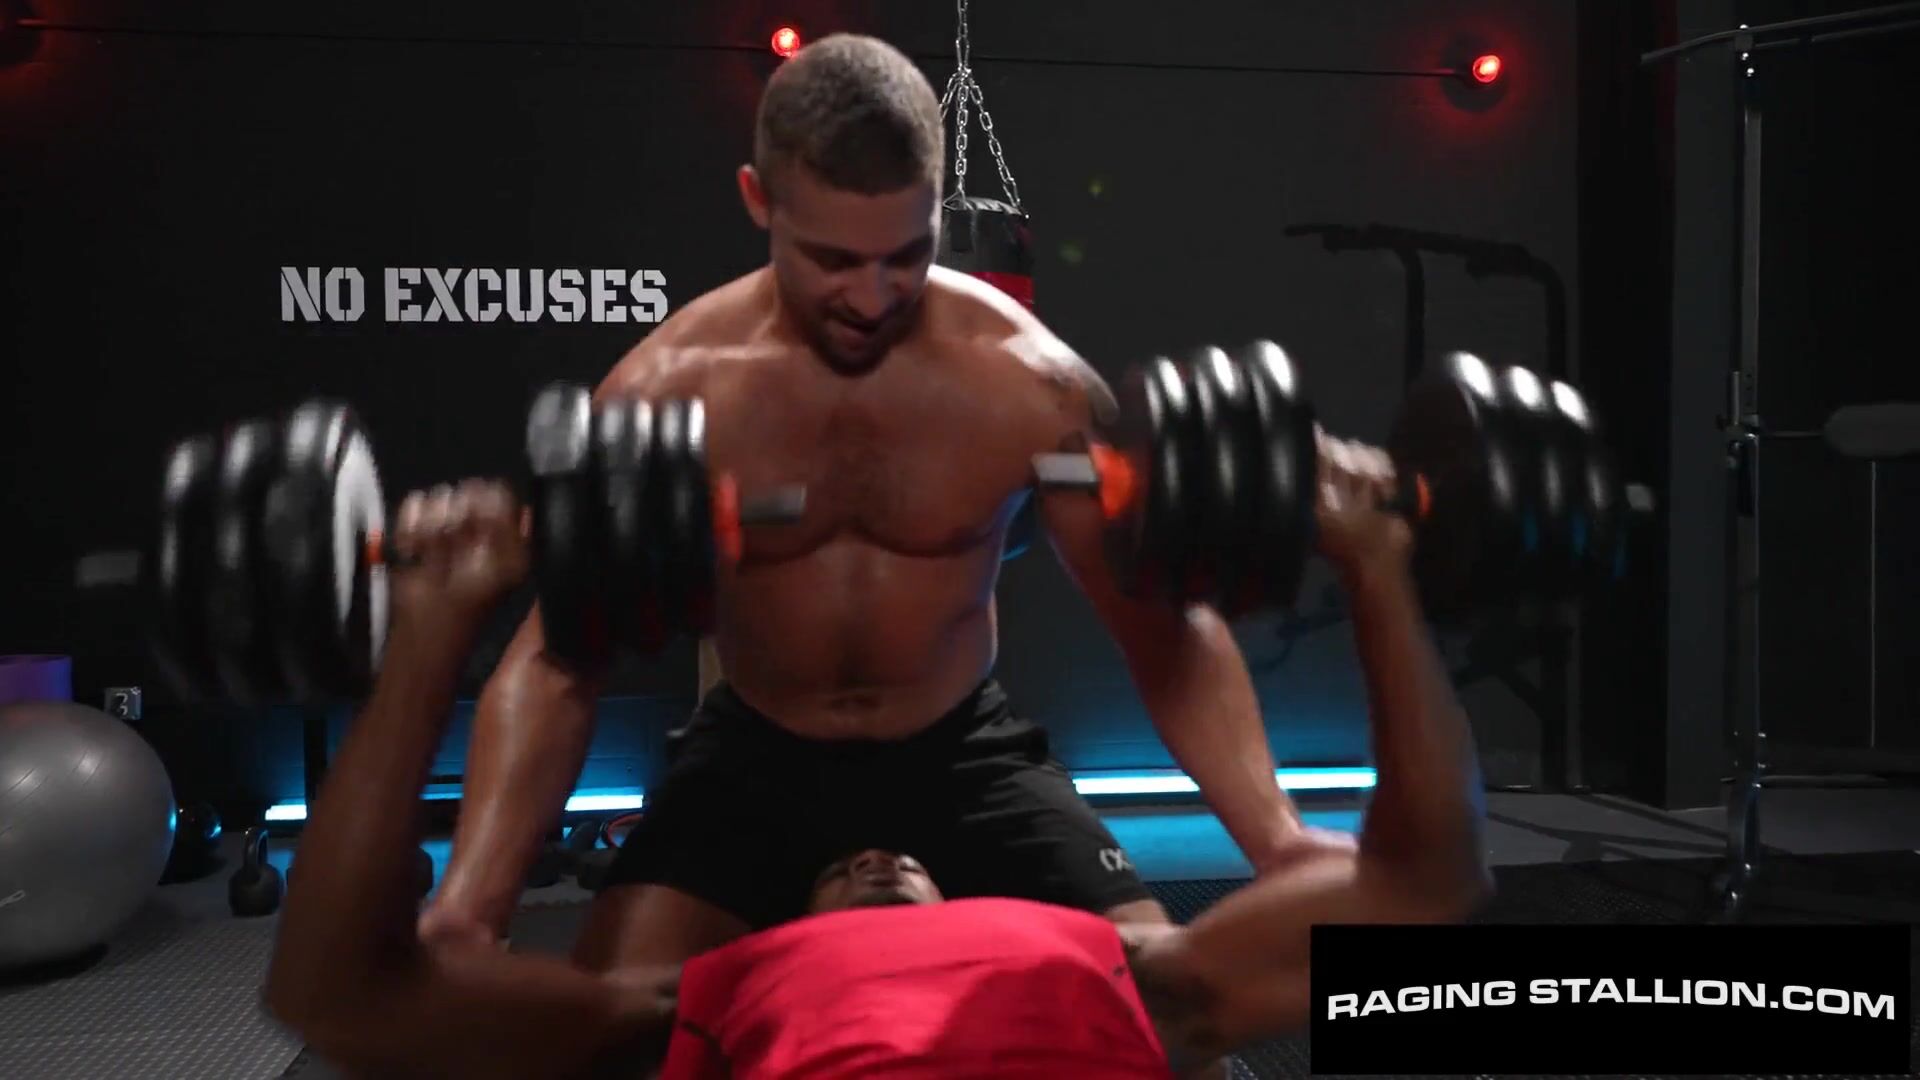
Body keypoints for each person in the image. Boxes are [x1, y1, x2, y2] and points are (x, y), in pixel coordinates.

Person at [421, 32, 1312, 962]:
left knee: (1154, 999)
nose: (874, 297)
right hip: (756, 758)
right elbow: (558, 660)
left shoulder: (1025, 385)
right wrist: (472, 907)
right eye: (834, 260)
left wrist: (1279, 840)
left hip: (961, 752)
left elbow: (1162, 630)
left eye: (907, 254)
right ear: (759, 200)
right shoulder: (674, 391)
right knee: (611, 1013)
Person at [266, 465, 1489, 1079]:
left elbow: (338, 993)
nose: (877, 855)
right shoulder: (1107, 983)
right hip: (761, 746)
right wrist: (1375, 568)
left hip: (961, 741)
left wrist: (432, 630)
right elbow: (1424, 881)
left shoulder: (703, 1007)